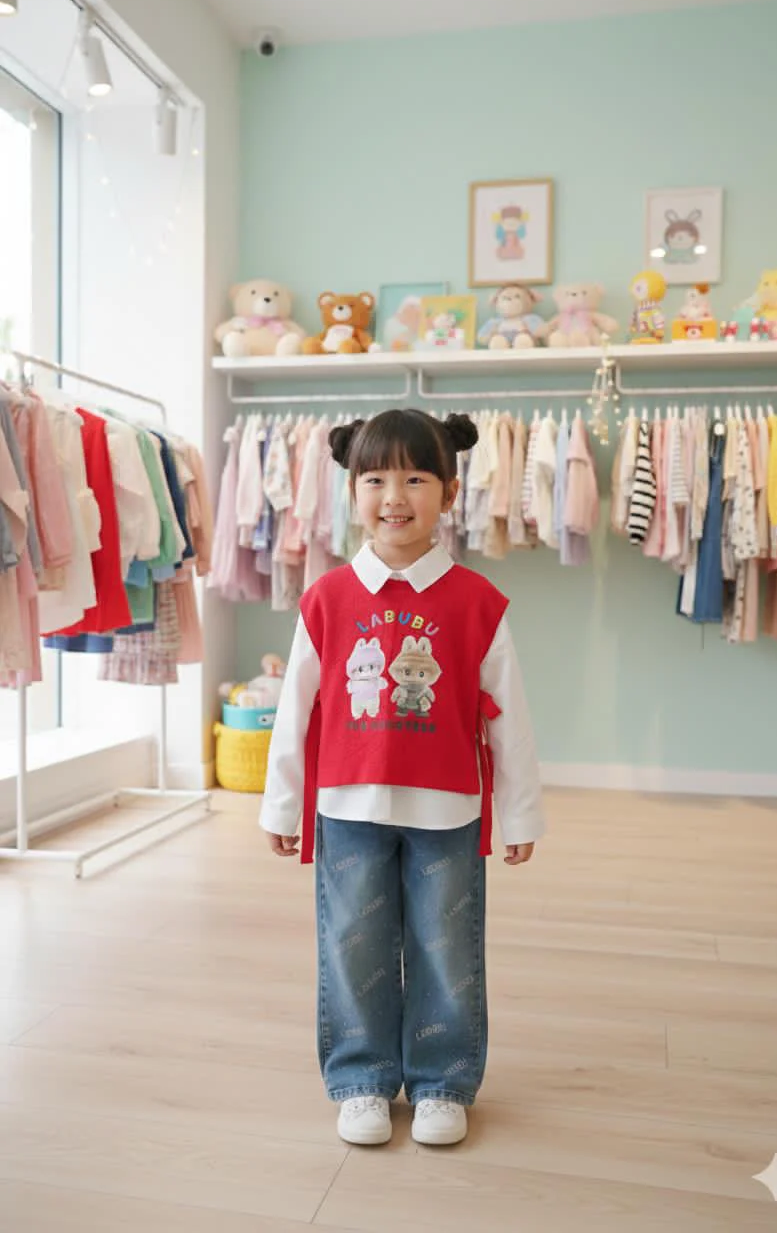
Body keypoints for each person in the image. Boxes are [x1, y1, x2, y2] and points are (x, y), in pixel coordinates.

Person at [259, 407, 544, 1148]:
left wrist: (519, 817)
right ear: (352, 491)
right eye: (376, 478)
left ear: (449, 493)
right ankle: (361, 1078)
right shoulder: (325, 599)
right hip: (346, 805)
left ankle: (443, 1080)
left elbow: (508, 716)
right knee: (353, 941)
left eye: (416, 478)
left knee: (446, 947)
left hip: (448, 811)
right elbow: (296, 706)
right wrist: (282, 807)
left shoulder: (478, 603)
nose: (395, 495)